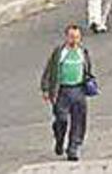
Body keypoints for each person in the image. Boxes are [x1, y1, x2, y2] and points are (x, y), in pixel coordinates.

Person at [40, 24, 95, 161]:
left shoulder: (83, 52)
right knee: (61, 119)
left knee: (78, 121)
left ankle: (73, 148)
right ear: (66, 37)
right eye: (71, 37)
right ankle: (59, 139)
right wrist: (46, 88)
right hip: (62, 91)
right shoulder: (60, 52)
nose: (74, 40)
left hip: (78, 90)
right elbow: (49, 70)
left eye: (77, 37)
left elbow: (88, 70)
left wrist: (90, 82)